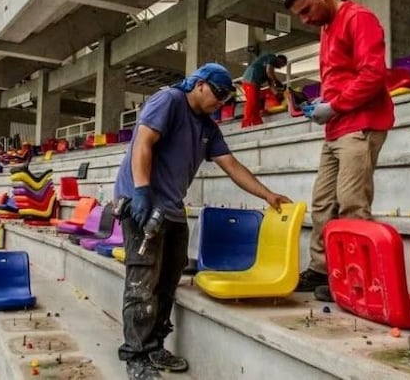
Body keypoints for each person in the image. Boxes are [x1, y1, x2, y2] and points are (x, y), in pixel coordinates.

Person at [114, 62, 292, 379]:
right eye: (218, 94)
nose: (220, 102)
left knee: (168, 281)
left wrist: (267, 195)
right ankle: (136, 356)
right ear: (199, 84)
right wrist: (141, 191)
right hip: (143, 204)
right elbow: (143, 142)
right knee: (142, 283)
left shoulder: (208, 128)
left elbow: (232, 166)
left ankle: (154, 346)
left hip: (171, 208)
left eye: (226, 98)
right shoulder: (168, 100)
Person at [284, 0, 395, 302]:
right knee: (322, 203)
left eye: (305, 10)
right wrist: (325, 104)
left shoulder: (359, 18)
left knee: (352, 203)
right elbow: (340, 78)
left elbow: (374, 74)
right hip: (337, 127)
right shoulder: (327, 28)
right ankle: (322, 268)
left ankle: (358, 277)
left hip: (360, 125)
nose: (305, 19)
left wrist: (335, 105)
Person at [240, 53, 288, 127]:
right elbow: (269, 72)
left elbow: (271, 84)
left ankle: (257, 123)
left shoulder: (269, 67)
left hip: (255, 84)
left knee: (256, 104)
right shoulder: (272, 58)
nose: (280, 67)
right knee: (252, 102)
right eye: (282, 64)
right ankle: (245, 124)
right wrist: (277, 81)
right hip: (250, 81)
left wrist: (277, 94)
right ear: (279, 59)